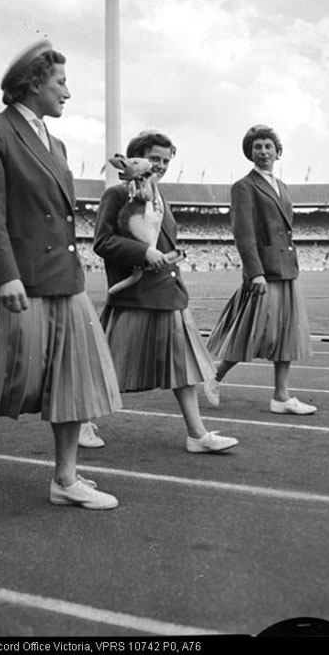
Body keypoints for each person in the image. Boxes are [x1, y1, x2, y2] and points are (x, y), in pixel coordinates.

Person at [0, 40, 122, 509]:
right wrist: (4, 276)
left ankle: (65, 479)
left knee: (72, 379)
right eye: (61, 82)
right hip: (18, 280)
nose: (67, 92)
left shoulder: (56, 142)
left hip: (65, 278)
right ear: (33, 82)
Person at [93, 130, 238, 454]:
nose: (159, 165)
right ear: (137, 158)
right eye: (154, 159)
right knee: (111, 367)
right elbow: (102, 242)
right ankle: (83, 421)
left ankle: (196, 433)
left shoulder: (160, 196)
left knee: (183, 366)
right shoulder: (117, 193)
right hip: (134, 297)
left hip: (168, 294)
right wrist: (142, 253)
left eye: (165, 160)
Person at [205, 124, 317, 416]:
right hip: (264, 271)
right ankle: (214, 377)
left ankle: (281, 396)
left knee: (286, 335)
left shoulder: (283, 187)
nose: (263, 151)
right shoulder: (244, 186)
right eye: (257, 147)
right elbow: (243, 232)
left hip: (286, 270)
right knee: (252, 332)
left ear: (278, 152)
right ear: (250, 152)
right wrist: (254, 272)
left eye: (268, 146)